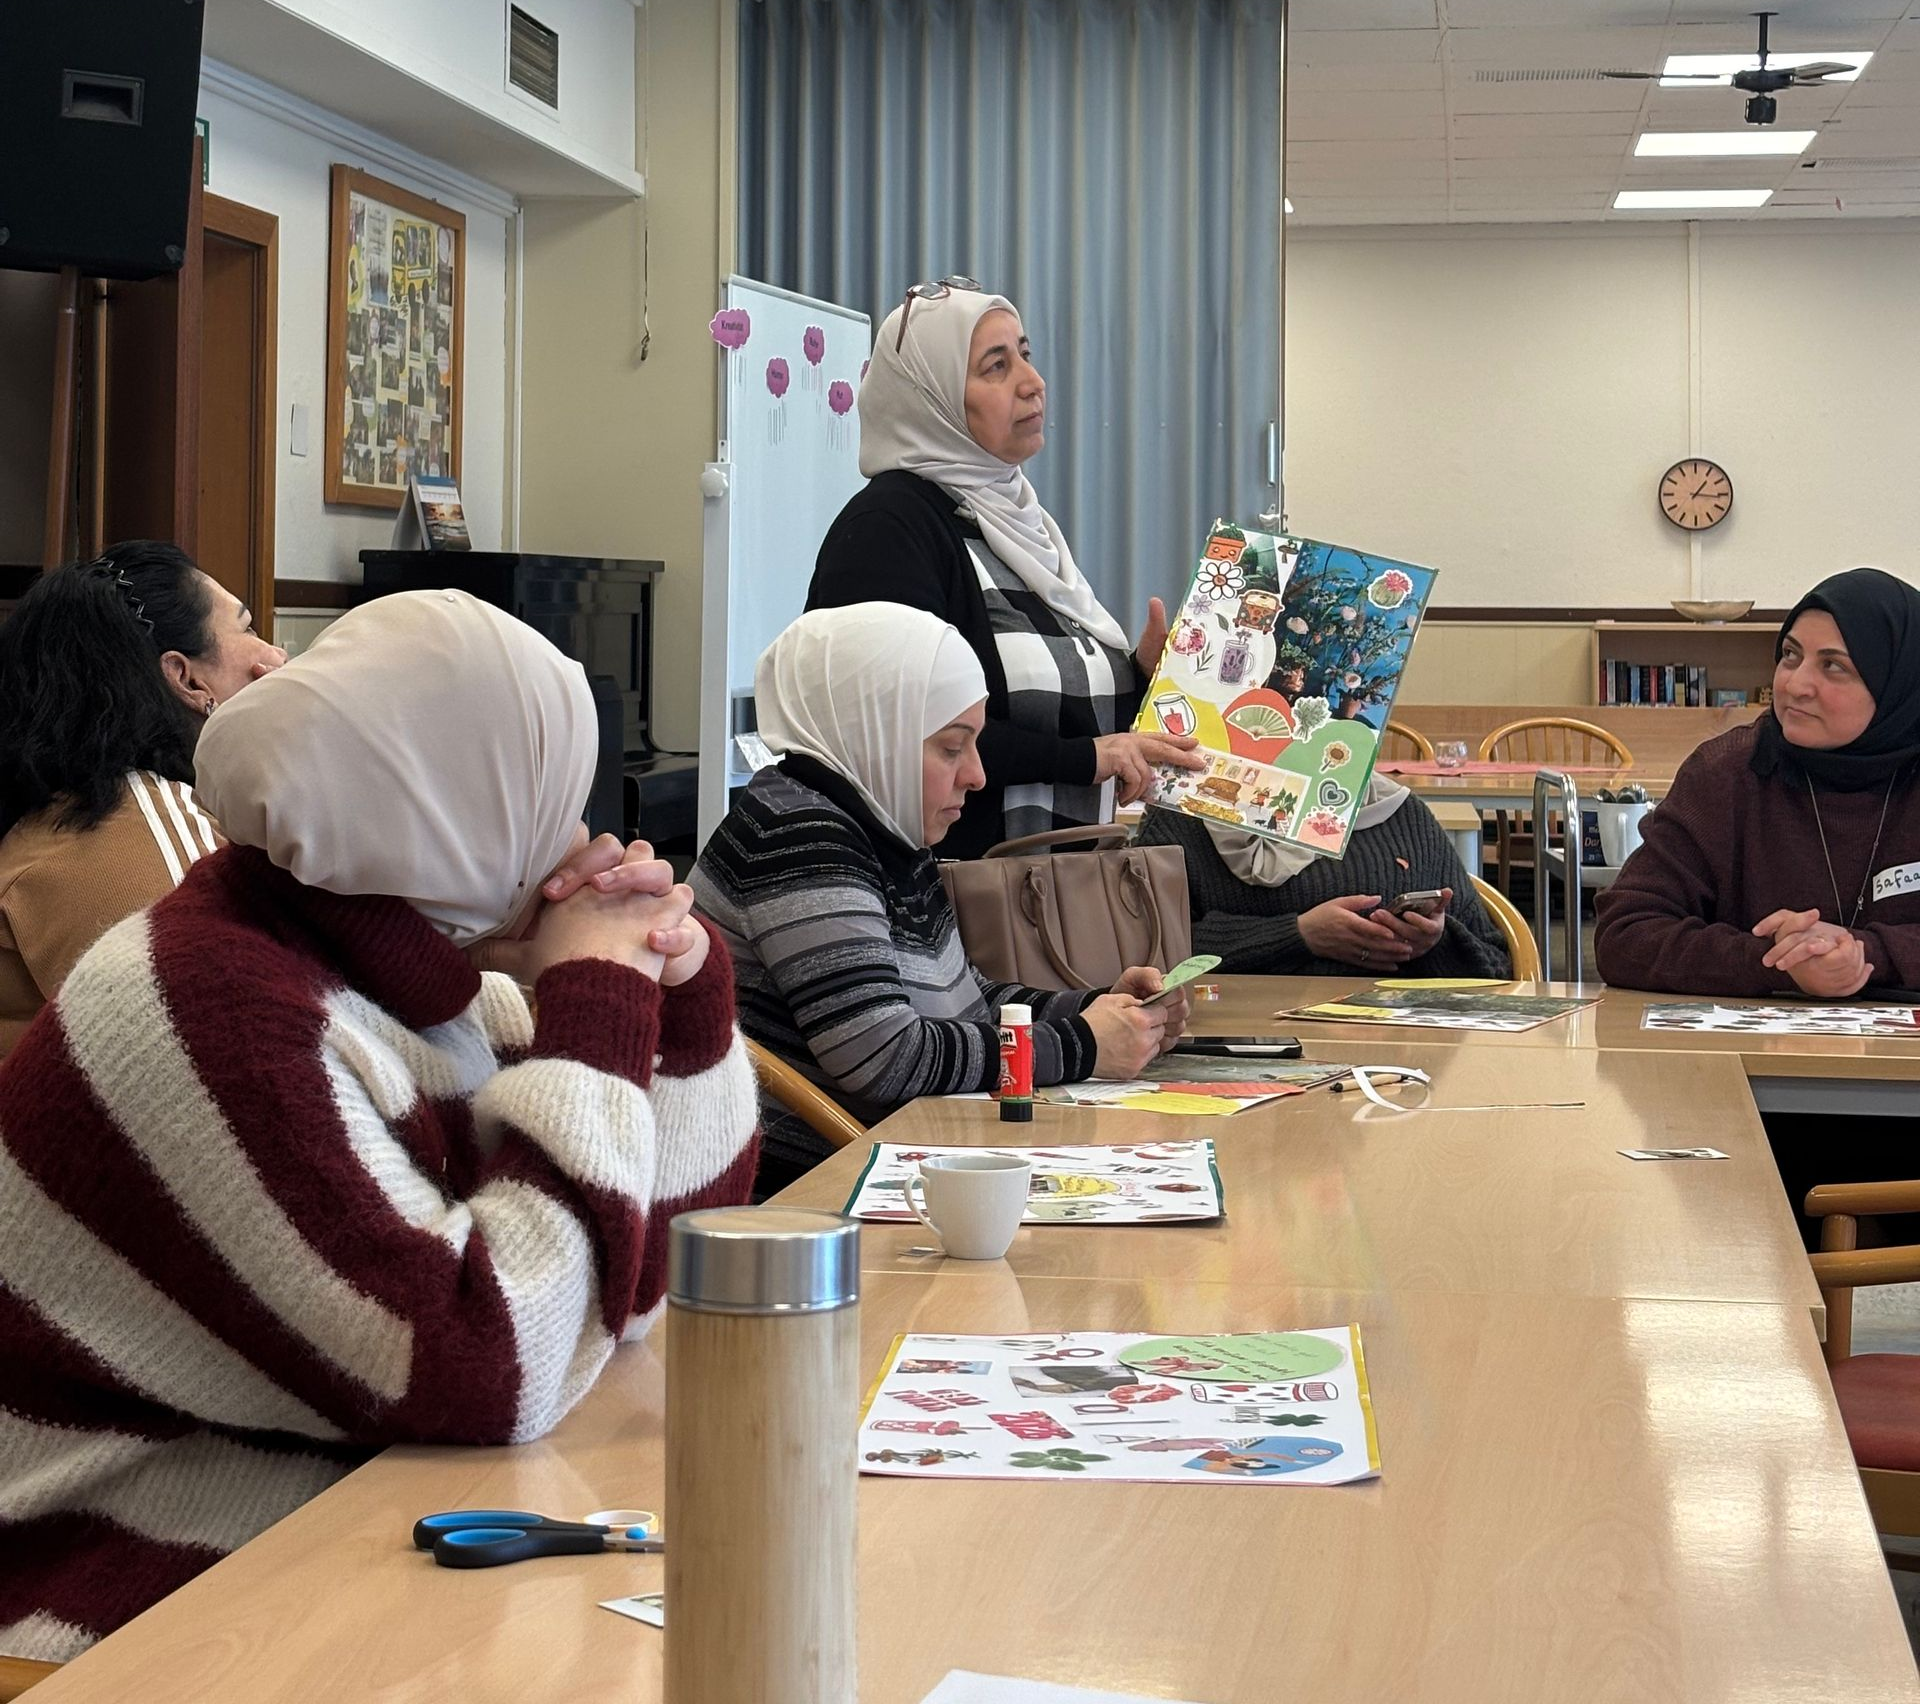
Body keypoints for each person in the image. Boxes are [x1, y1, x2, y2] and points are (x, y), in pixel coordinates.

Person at [0, 589, 758, 1662]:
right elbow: (494, 1367)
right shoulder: (205, 1005)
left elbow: (638, 1284)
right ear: (457, 815)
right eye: (546, 797)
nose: (578, 839)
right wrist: (593, 1000)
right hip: (146, 1614)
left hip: (351, 1535)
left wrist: (678, 997)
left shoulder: (408, 984)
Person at [693, 603, 1187, 1194]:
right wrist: (1082, 1046)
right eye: (952, 748)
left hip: (873, 1161)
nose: (976, 775)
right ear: (878, 731)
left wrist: (1093, 1008)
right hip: (806, 1191)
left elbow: (962, 997)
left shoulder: (875, 817)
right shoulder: (800, 834)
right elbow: (884, 1057)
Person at [808, 278, 1202, 858]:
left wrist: (1141, 678)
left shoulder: (1015, 519)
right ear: (931, 396)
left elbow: (1047, 713)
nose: (1033, 382)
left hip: (1052, 889)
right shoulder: (889, 529)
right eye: (996, 366)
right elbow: (906, 730)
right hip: (955, 897)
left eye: (1025, 354)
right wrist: (1090, 758)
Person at [0, 542, 287, 1056]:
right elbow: (241, 1047)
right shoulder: (134, 828)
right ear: (186, 678)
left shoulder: (70, 810)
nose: (276, 655)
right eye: (248, 629)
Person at [1596, 568, 1920, 997]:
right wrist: (1775, 960)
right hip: (1749, 1052)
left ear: (1897, 684)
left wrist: (1863, 952)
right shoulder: (1726, 773)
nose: (1796, 684)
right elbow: (1625, 934)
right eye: (1790, 654)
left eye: (1834, 666)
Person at [1137, 774, 1510, 977]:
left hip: (1389, 1056)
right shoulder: (1181, 816)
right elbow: (1137, 955)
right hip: (1225, 1047)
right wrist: (1297, 936)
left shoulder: (1398, 812)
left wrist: (1433, 941)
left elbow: (1494, 962)